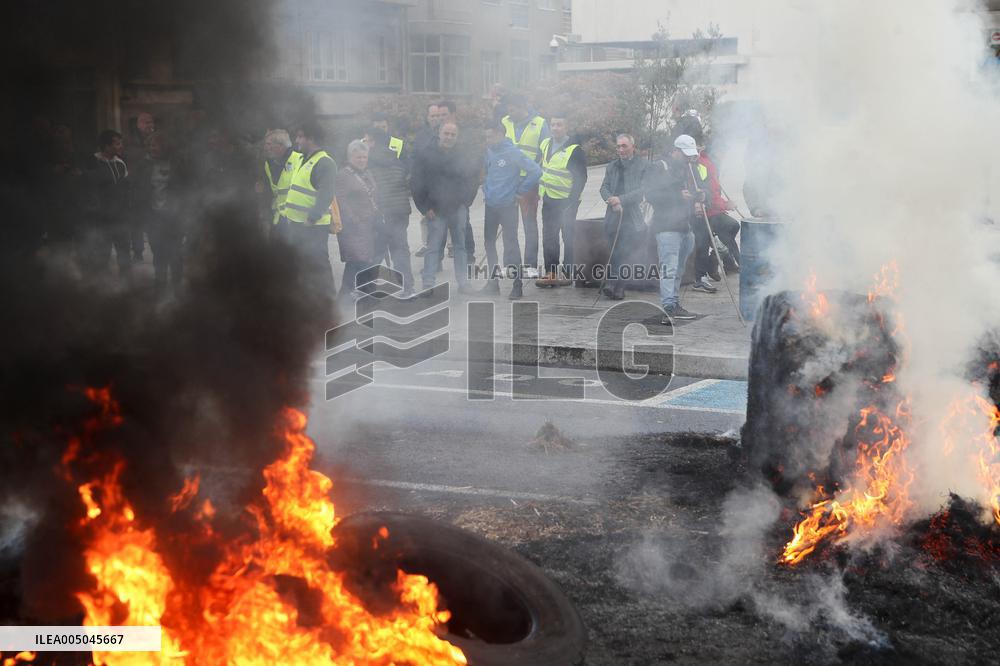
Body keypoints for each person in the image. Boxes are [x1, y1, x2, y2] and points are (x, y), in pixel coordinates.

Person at [411, 121, 478, 293]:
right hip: (435, 210)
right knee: (432, 247)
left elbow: (472, 178)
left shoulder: (464, 154)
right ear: (439, 134)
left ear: (457, 136)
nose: (449, 137)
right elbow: (417, 183)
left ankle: (463, 284)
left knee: (460, 247)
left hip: (458, 208)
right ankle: (428, 283)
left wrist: (466, 201)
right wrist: (425, 208)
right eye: (446, 134)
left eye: (453, 134)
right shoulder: (425, 155)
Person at [645, 134, 705, 324]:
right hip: (666, 226)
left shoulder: (691, 168)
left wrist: (703, 196)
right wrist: (679, 197)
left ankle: (674, 303)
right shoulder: (659, 167)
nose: (689, 158)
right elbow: (651, 195)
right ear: (675, 151)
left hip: (685, 226)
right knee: (669, 269)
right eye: (685, 154)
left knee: (678, 268)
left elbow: (703, 188)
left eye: (691, 155)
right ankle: (668, 307)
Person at [480, 120, 542, 300]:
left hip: (508, 206)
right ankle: (493, 283)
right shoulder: (489, 151)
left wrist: (520, 191)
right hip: (491, 205)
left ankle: (517, 285)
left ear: (501, 134)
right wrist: (486, 188)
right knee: (489, 243)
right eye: (486, 137)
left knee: (511, 244)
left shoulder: (513, 152)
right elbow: (488, 171)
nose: (488, 140)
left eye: (490, 136)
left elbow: (536, 171)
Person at [284, 122, 337, 295]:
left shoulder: (324, 162)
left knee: (318, 263)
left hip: (312, 226)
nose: (297, 140)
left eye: (300, 136)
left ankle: (329, 303)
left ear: (311, 138)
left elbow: (326, 194)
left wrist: (311, 218)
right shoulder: (302, 158)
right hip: (297, 223)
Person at [131, 131, 186, 296]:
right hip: (153, 216)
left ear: (165, 146)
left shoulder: (178, 163)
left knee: (175, 252)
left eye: (155, 145)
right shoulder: (144, 165)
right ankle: (160, 285)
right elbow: (137, 190)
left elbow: (187, 187)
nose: (152, 148)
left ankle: (177, 285)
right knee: (159, 253)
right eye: (150, 145)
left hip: (174, 216)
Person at [535, 114, 587, 287]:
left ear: (566, 127)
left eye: (559, 124)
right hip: (549, 198)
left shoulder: (574, 150)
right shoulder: (545, 144)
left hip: (567, 202)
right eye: (553, 124)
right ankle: (551, 272)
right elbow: (540, 168)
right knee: (549, 237)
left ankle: (568, 272)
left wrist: (571, 202)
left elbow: (581, 178)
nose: (555, 127)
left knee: (568, 236)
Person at [501, 95, 550, 276]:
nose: (509, 112)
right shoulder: (504, 122)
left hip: (529, 182)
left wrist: (539, 182)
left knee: (529, 223)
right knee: (508, 223)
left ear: (523, 107)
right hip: (507, 180)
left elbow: (545, 154)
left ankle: (530, 265)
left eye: (512, 109)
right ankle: (510, 264)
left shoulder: (540, 123)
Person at [365, 126, 415, 296]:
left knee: (376, 250)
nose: (366, 143)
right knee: (400, 248)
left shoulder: (371, 161)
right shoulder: (397, 159)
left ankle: (365, 287)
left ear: (374, 142)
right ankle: (408, 286)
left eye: (368, 140)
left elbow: (374, 189)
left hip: (385, 212)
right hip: (401, 211)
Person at [597, 133, 646, 300]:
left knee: (625, 251)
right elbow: (604, 187)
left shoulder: (642, 165)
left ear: (633, 147)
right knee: (615, 249)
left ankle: (616, 285)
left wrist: (621, 200)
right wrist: (611, 199)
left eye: (624, 146)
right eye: (618, 146)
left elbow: (642, 191)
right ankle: (616, 287)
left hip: (632, 216)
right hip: (613, 214)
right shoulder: (611, 166)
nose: (620, 149)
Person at [80, 129, 130, 280]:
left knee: (124, 250)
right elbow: (87, 187)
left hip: (119, 215)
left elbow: (126, 188)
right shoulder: (92, 162)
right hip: (100, 216)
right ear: (106, 146)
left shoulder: (120, 164)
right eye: (117, 143)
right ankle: (101, 286)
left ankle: (127, 283)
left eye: (120, 143)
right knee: (103, 251)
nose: (120, 146)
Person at [335, 140, 381, 301]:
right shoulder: (343, 175)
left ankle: (346, 296)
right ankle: (365, 294)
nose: (362, 160)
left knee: (357, 262)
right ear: (349, 158)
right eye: (358, 158)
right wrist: (354, 220)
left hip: (369, 226)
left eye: (364, 157)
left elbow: (373, 195)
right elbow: (340, 200)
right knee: (360, 261)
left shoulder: (367, 173)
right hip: (352, 228)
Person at [694, 135, 741, 286]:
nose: (724, 154)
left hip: (714, 209)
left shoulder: (713, 164)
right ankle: (725, 261)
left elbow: (716, 191)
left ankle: (720, 260)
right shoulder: (703, 164)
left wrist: (725, 203)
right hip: (705, 211)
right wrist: (725, 205)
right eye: (722, 151)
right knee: (729, 227)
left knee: (732, 226)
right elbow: (706, 192)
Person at [260, 129, 302, 241]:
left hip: (296, 221)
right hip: (277, 220)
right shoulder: (268, 164)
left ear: (280, 146)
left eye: (268, 144)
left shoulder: (300, 160)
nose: (265, 147)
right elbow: (269, 193)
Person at [125, 111, 156, 261]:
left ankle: (156, 249)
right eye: (145, 122)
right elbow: (131, 156)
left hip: (153, 187)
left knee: (153, 222)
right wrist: (147, 149)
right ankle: (138, 252)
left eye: (151, 121)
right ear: (138, 124)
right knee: (137, 222)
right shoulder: (130, 140)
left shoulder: (157, 139)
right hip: (136, 187)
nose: (149, 125)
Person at [412, 102, 441, 258]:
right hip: (427, 184)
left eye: (438, 115)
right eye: (432, 116)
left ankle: (448, 245)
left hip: (444, 185)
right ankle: (426, 245)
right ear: (427, 117)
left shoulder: (447, 133)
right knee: (426, 218)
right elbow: (415, 159)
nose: (436, 118)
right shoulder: (421, 136)